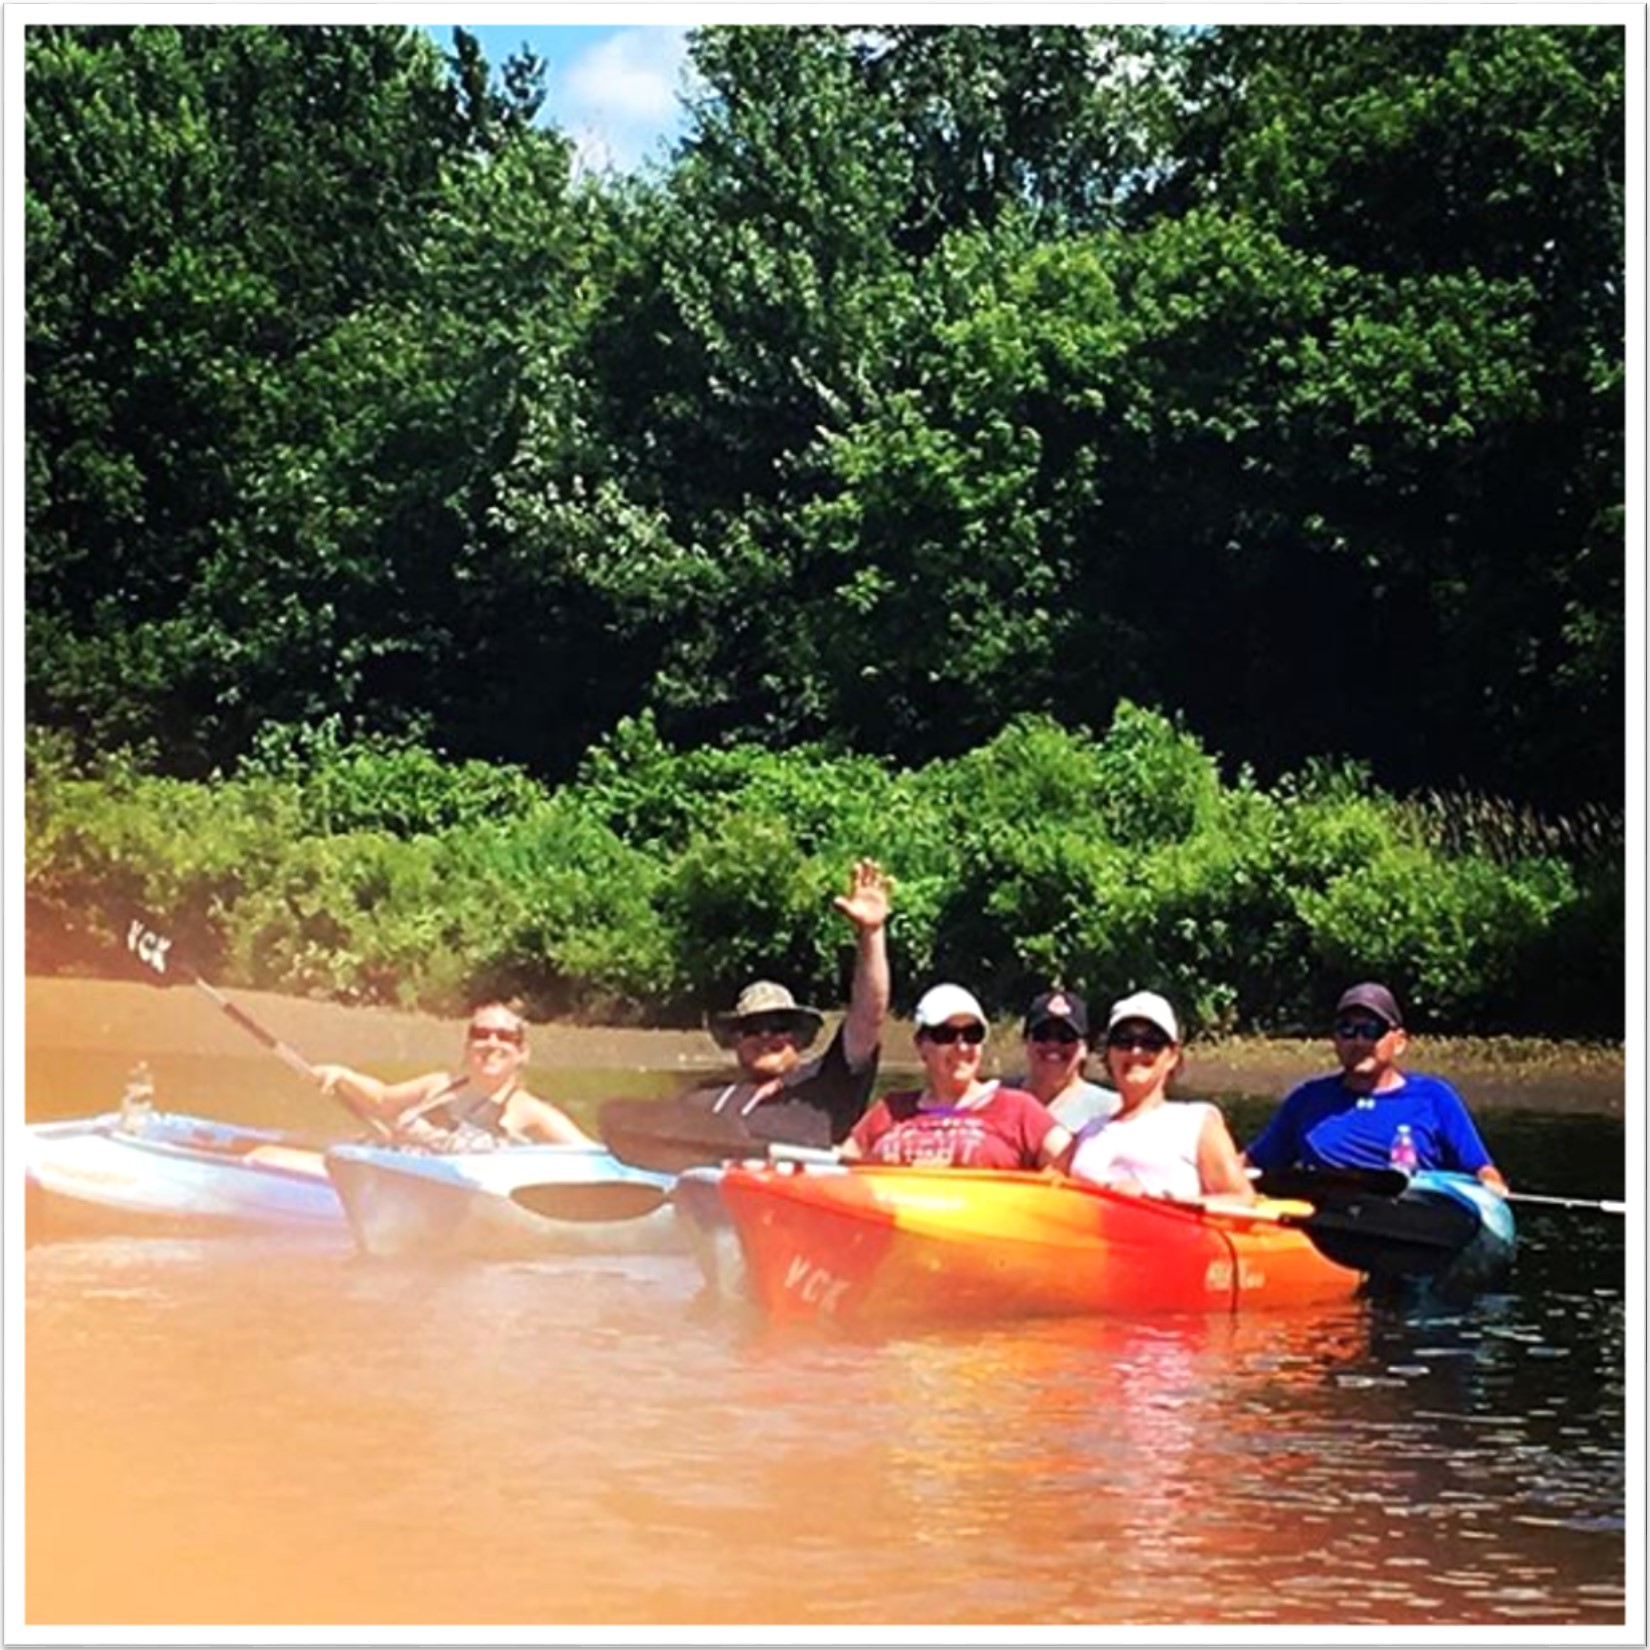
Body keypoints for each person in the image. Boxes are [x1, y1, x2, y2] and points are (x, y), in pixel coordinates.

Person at [677, 858, 892, 1147]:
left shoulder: (829, 1083)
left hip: (800, 1187)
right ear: (736, 1039)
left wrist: (871, 934)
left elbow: (868, 1015)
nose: (766, 1036)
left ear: (799, 1037)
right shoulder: (703, 1102)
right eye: (752, 1027)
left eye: (778, 1026)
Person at [1243, 982, 1509, 1193]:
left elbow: (1482, 1170)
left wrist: (1492, 1190)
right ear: (1335, 1039)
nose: (1358, 1041)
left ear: (1399, 1041)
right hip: (1329, 1222)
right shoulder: (1307, 1099)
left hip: (1412, 1221)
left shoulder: (1434, 1098)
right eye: (1347, 1030)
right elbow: (1252, 1163)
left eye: (1371, 1030)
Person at [840, 983, 1071, 1170]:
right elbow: (841, 1166)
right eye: (945, 1035)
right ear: (921, 1045)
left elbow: (1070, 1162)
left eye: (972, 1034)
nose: (961, 1047)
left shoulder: (1019, 1110)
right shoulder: (889, 1110)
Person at [311, 1000, 594, 1151]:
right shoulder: (437, 1085)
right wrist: (343, 1076)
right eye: (481, 1035)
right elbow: (382, 1100)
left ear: (522, 1053)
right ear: (468, 1046)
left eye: (505, 1037)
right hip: (392, 1176)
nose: (492, 1043)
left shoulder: (532, 1113)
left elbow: (589, 1155)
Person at [1062, 990, 1254, 1203]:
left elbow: (1241, 1198)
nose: (1136, 1051)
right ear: (1109, 1054)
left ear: (1171, 1056)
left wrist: (1162, 1202)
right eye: (1124, 1040)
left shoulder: (1195, 1122)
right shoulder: (1088, 1131)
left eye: (1151, 1042)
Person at [1009, 988, 1119, 1132]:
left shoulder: (1111, 1110)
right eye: (1042, 1034)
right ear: (1026, 1041)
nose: (1053, 1044)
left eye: (1065, 1036)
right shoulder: (995, 1099)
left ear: (1085, 1047)